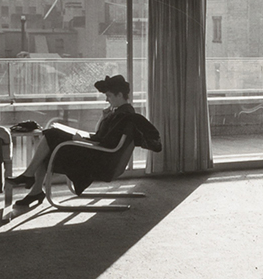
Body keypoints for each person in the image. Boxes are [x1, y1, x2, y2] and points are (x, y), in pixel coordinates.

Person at [9, 74, 160, 209]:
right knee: (49, 141)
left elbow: (108, 144)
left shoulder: (124, 115)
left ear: (119, 95)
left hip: (101, 160)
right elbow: (102, 136)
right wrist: (103, 118)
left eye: (109, 96)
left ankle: (30, 180)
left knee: (50, 135)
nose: (107, 99)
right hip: (98, 153)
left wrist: (83, 141)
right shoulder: (119, 112)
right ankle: (34, 189)